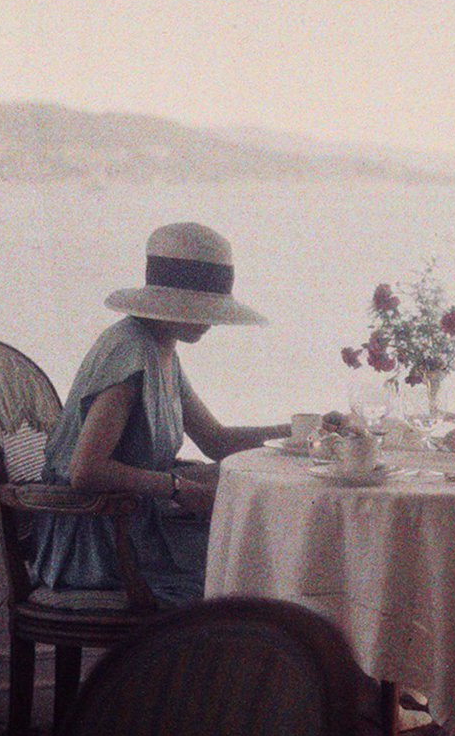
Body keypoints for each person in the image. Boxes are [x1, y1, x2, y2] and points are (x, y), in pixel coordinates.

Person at [32, 221, 290, 605]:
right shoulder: (129, 352)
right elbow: (86, 470)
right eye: (200, 310)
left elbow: (216, 441)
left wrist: (300, 432)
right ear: (165, 302)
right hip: (96, 541)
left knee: (254, 566)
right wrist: (178, 487)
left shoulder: (161, 346)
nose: (211, 322)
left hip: (129, 525)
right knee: (250, 582)